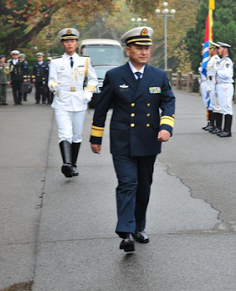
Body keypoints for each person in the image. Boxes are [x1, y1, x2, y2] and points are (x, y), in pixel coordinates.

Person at [90, 26, 175, 253]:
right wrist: (95, 136)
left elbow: (168, 102)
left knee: (144, 187)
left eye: (147, 48)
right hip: (123, 140)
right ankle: (126, 232)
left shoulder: (159, 75)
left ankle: (139, 227)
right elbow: (102, 108)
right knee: (128, 183)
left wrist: (166, 126)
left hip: (149, 140)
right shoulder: (115, 75)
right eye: (139, 48)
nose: (144, 52)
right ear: (128, 50)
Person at [48, 28, 98, 178]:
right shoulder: (56, 62)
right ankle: (67, 164)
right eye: (66, 41)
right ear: (62, 44)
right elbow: (51, 80)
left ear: (76, 43)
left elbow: (93, 79)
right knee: (65, 133)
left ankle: (73, 164)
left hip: (79, 99)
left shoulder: (85, 60)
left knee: (76, 135)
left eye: (72, 41)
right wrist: (54, 88)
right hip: (62, 99)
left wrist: (88, 92)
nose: (69, 44)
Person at [216, 42, 234, 137]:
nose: (218, 50)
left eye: (220, 48)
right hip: (220, 85)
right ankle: (224, 129)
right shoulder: (221, 61)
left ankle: (227, 130)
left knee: (227, 108)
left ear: (225, 49)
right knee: (223, 107)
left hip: (226, 85)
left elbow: (226, 75)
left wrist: (217, 70)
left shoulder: (227, 62)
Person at [205, 43, 222, 134]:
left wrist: (215, 86)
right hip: (210, 83)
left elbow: (216, 73)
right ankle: (212, 125)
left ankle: (217, 126)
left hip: (214, 84)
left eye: (211, 49)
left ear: (215, 50)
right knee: (212, 105)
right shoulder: (211, 59)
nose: (209, 51)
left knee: (217, 106)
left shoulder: (217, 60)